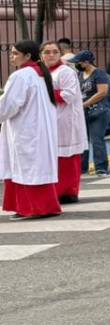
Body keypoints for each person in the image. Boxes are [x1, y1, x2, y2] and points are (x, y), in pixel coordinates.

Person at [0, 40, 60, 218]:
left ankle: (33, 207)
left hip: (26, 130)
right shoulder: (41, 74)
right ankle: (41, 206)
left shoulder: (21, 76)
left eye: (15, 53)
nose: (12, 57)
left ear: (27, 56)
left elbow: (8, 106)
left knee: (27, 168)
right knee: (34, 167)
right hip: (38, 129)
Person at [42, 41, 86, 205]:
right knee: (54, 157)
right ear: (41, 55)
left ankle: (69, 192)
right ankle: (56, 190)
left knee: (68, 157)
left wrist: (43, 93)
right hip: (51, 119)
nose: (51, 55)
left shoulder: (65, 71)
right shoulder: (42, 72)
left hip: (66, 119)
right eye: (47, 52)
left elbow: (68, 95)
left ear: (60, 54)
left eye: (54, 52)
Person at [75, 52, 110, 176]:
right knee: (83, 140)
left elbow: (102, 92)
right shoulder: (79, 74)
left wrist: (85, 104)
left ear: (86, 62)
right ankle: (82, 168)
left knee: (97, 139)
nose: (77, 64)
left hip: (99, 111)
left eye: (78, 62)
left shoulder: (99, 74)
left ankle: (101, 168)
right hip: (83, 112)